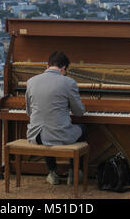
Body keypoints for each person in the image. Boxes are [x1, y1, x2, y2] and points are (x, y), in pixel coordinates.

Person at [25, 51, 86, 185]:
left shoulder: (31, 81)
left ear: (47, 66)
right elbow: (79, 112)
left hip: (36, 135)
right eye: (65, 71)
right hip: (59, 135)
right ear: (63, 68)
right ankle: (74, 173)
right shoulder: (69, 82)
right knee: (82, 128)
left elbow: (29, 112)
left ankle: (52, 173)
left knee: (46, 132)